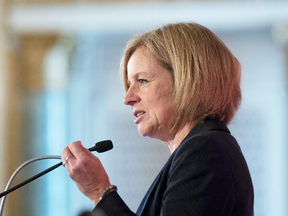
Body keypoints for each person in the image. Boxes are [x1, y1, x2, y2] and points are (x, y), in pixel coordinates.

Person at [62, 22, 254, 216]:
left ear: (186, 80)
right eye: (129, 84)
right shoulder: (201, 149)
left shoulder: (206, 150)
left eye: (142, 81)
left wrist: (99, 191)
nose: (127, 98)